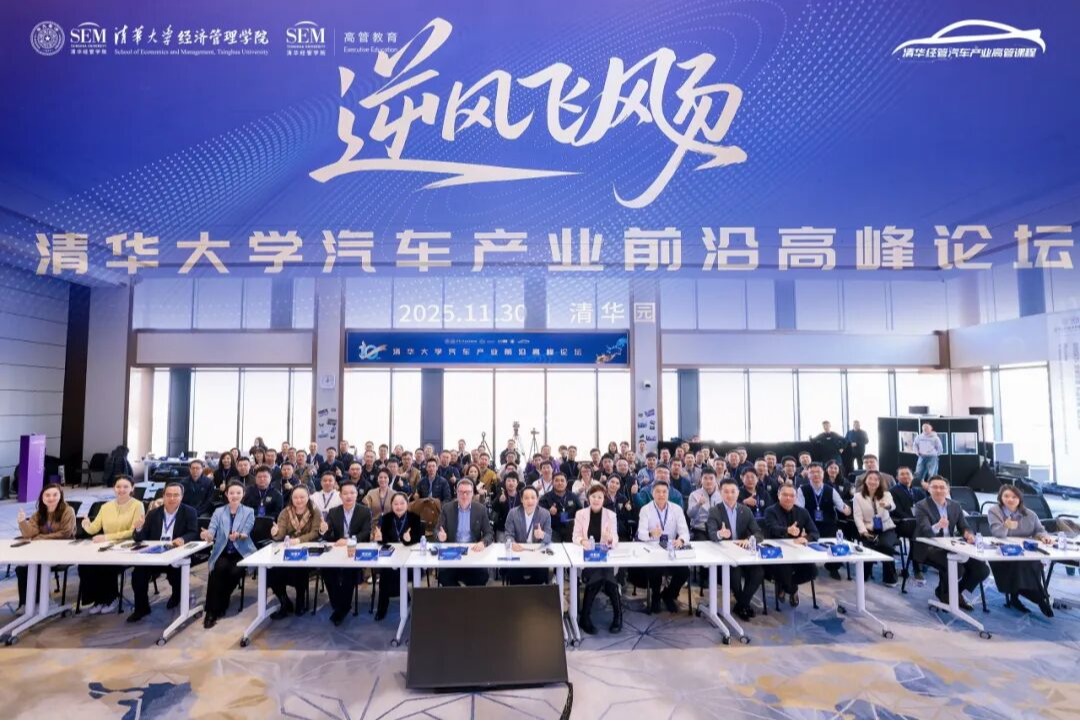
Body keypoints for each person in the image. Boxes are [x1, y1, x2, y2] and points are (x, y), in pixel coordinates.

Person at [914, 475, 990, 610]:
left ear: (947, 489)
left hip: (952, 546)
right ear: (928, 489)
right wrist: (938, 526)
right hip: (929, 546)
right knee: (956, 566)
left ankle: (953, 593)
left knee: (982, 569)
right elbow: (925, 530)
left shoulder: (955, 505)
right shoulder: (921, 506)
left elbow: (964, 526)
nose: (938, 490)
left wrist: (968, 534)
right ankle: (948, 594)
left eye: (942, 487)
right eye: (934, 487)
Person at [127, 481, 200, 622]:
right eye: (168, 495)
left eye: (176, 495)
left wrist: (183, 539)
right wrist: (139, 528)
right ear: (163, 496)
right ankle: (142, 608)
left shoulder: (189, 512)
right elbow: (140, 538)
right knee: (138, 574)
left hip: (176, 553)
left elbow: (193, 532)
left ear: (182, 496)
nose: (172, 498)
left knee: (176, 573)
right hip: (155, 555)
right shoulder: (153, 513)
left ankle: (177, 596)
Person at [78, 475, 145, 614]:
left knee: (106, 565)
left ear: (132, 488)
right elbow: (94, 529)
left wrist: (107, 537)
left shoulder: (138, 505)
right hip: (107, 546)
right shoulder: (105, 507)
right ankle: (97, 600)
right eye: (118, 486)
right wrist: (86, 525)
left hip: (127, 547)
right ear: (114, 488)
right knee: (85, 565)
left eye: (125, 487)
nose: (121, 490)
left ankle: (111, 598)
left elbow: (132, 531)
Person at [987, 485, 1054, 616]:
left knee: (1032, 562)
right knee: (1018, 564)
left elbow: (1040, 530)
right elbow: (997, 533)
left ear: (1020, 499)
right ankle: (1038, 597)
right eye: (1006, 496)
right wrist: (1005, 526)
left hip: (1025, 552)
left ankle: (1026, 596)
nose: (1010, 499)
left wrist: (1043, 537)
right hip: (1002, 553)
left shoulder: (1030, 514)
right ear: (1000, 498)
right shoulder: (994, 511)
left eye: (1014, 497)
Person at [707, 479, 765, 621]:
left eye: (733, 491)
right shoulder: (714, 511)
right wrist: (720, 534)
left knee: (758, 572)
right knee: (734, 574)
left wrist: (749, 540)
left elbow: (758, 533)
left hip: (743, 554)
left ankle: (741, 604)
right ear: (720, 493)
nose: (730, 495)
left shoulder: (745, 510)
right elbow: (711, 534)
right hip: (725, 556)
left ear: (738, 493)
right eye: (726, 492)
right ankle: (743, 605)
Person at [201, 481, 256, 628]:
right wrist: (208, 535)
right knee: (217, 570)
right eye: (231, 493)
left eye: (238, 493)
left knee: (234, 572)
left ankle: (222, 601)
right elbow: (212, 529)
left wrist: (239, 535)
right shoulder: (219, 511)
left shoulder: (249, 511)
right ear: (226, 494)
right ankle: (211, 612)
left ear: (243, 494)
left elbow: (246, 532)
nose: (235, 496)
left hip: (241, 551)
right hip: (223, 551)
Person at [15, 484, 76, 613]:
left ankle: (42, 602)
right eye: (47, 495)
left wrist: (41, 537)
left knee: (38, 566)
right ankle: (26, 603)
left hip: (63, 551)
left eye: (55, 495)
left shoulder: (68, 511)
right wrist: (22, 522)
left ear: (60, 496)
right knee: (22, 568)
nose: (51, 498)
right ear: (42, 498)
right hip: (42, 552)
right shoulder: (38, 514)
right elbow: (29, 534)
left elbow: (65, 533)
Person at [633, 481, 691, 614]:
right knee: (655, 569)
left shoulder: (676, 509)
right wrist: (650, 534)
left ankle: (668, 595)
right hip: (652, 548)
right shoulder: (645, 509)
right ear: (652, 493)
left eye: (664, 492)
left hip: (670, 549)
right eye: (658, 491)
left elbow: (685, 532)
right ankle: (655, 597)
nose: (661, 494)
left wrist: (681, 540)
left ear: (668, 493)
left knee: (684, 572)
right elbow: (640, 534)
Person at [572, 484, 623, 634]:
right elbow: (575, 536)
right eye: (593, 496)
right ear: (588, 498)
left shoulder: (610, 515)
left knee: (603, 573)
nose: (596, 499)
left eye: (599, 497)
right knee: (604, 575)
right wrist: (583, 541)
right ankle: (617, 615)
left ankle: (587, 616)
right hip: (587, 558)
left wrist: (609, 539)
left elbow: (615, 539)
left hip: (604, 557)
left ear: (603, 499)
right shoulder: (580, 514)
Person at [268, 486, 325, 618]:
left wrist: (299, 540)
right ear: (291, 498)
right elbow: (281, 535)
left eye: (302, 497)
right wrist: (275, 533)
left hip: (307, 551)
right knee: (271, 572)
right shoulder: (285, 512)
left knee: (300, 569)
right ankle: (285, 603)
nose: (299, 500)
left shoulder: (315, 512)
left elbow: (315, 533)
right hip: (288, 550)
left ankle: (300, 601)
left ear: (308, 497)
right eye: (295, 497)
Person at [320, 480, 372, 625]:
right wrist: (323, 530)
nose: (349, 496)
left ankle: (342, 608)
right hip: (337, 551)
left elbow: (366, 533)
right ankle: (338, 604)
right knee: (327, 570)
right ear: (340, 495)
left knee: (349, 572)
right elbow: (328, 536)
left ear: (356, 494)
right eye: (345, 493)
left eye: (352, 493)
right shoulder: (333, 512)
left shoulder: (364, 511)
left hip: (355, 550)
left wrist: (349, 540)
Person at [763, 485, 820, 607]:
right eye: (785, 495)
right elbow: (772, 529)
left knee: (813, 571)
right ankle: (792, 589)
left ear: (796, 497)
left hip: (797, 552)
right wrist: (787, 530)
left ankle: (785, 586)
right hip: (777, 553)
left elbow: (815, 532)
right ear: (778, 495)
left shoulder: (802, 512)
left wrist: (805, 538)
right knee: (785, 573)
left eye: (792, 495)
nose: (788, 498)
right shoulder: (770, 511)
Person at [371, 492, 423, 620]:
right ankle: (382, 608)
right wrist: (379, 539)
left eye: (402, 503)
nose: (399, 507)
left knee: (396, 573)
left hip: (410, 559)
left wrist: (408, 540)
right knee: (386, 573)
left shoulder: (414, 518)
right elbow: (382, 540)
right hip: (391, 558)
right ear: (391, 505)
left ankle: (411, 602)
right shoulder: (386, 518)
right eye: (395, 504)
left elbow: (419, 539)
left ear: (407, 504)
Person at [795, 463, 852, 579]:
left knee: (838, 541)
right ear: (808, 475)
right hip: (810, 525)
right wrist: (802, 527)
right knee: (802, 540)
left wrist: (847, 509)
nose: (815, 475)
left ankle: (833, 567)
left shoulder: (831, 490)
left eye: (818, 472)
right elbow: (799, 510)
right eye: (812, 472)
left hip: (828, 524)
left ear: (823, 474)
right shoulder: (802, 489)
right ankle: (808, 567)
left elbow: (841, 506)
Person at [434, 479, 493, 586]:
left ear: (472, 493)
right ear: (456, 493)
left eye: (468, 492)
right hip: (453, 553)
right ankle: (458, 595)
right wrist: (440, 535)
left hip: (473, 552)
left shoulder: (480, 509)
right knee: (444, 577)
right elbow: (437, 530)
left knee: (483, 576)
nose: (464, 495)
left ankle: (468, 595)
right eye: (461, 492)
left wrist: (483, 542)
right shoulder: (447, 508)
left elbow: (489, 533)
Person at [851, 471, 898, 586]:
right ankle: (864, 575)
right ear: (865, 481)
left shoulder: (886, 494)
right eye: (870, 479)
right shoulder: (857, 497)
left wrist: (887, 505)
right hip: (868, 528)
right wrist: (863, 531)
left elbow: (892, 506)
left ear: (880, 482)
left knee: (886, 546)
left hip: (886, 528)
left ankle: (890, 578)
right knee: (867, 548)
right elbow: (857, 517)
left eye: (876, 479)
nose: (873, 481)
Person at [503, 486, 553, 585]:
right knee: (514, 574)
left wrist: (542, 535)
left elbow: (549, 538)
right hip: (518, 552)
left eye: (533, 498)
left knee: (541, 574)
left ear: (537, 499)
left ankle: (533, 593)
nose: (530, 501)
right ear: (521, 500)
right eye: (526, 498)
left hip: (537, 553)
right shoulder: (513, 513)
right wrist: (512, 543)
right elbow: (508, 534)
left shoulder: (545, 514)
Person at [888, 466, 926, 580]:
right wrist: (913, 519)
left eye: (907, 474)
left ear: (912, 476)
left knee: (926, 531)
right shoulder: (893, 491)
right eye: (902, 474)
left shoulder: (918, 491)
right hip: (900, 523)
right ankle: (917, 568)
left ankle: (921, 562)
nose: (905, 476)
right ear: (897, 477)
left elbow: (926, 507)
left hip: (916, 524)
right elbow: (896, 511)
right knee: (918, 533)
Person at [539, 473, 581, 543]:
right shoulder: (546, 497)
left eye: (562, 480)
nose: (560, 483)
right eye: (557, 480)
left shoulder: (573, 496)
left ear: (566, 483)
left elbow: (580, 511)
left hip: (571, 530)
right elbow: (539, 513)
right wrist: (548, 511)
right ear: (552, 483)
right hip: (553, 530)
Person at [687, 470, 722, 541]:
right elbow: (690, 515)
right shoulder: (694, 494)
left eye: (711, 478)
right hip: (700, 529)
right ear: (701, 480)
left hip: (717, 529)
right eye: (705, 478)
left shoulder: (720, 496)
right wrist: (698, 504)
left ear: (716, 480)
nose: (708, 481)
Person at [491, 472, 522, 540]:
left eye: (513, 481)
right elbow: (494, 509)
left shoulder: (522, 496)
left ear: (517, 483)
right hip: (502, 529)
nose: (511, 483)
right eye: (508, 481)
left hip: (518, 529)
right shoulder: (501, 495)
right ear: (505, 483)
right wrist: (499, 501)